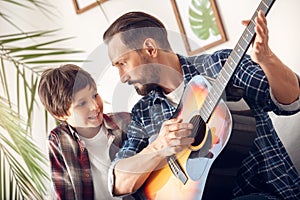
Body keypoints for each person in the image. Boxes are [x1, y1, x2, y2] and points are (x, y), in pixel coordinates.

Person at [103, 11, 300, 200]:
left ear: (150, 49)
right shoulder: (143, 112)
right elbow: (118, 183)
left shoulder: (221, 66)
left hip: (267, 192)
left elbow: (290, 102)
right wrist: (159, 148)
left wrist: (268, 60)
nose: (122, 78)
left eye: (123, 63)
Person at [38, 64, 133, 200]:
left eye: (95, 95)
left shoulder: (124, 121)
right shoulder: (59, 140)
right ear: (60, 114)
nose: (94, 106)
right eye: (82, 103)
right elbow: (63, 192)